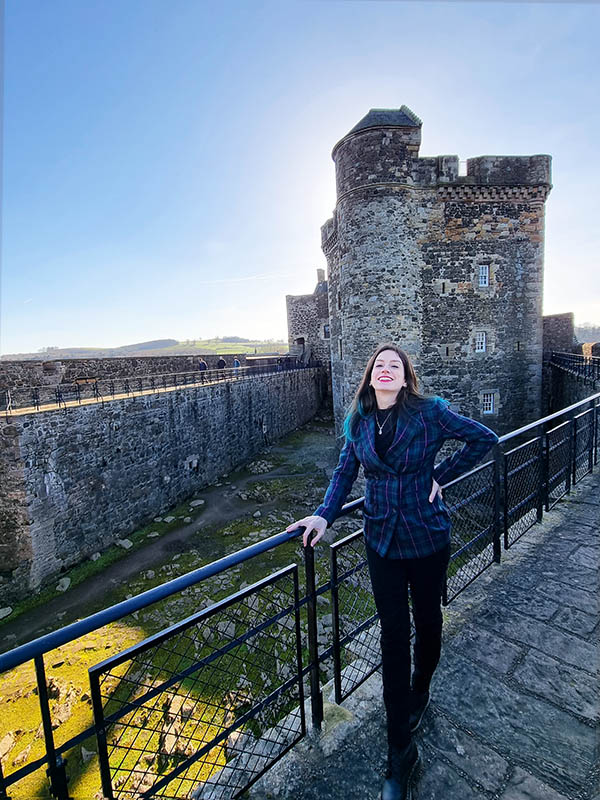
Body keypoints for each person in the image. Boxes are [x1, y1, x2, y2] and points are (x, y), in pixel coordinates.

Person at [286, 343, 498, 800]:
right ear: (370, 376)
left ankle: (421, 690)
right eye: (379, 365)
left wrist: (443, 474)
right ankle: (398, 750)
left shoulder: (429, 412)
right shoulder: (359, 420)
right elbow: (345, 473)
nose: (385, 371)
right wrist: (323, 515)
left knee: (428, 622)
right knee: (392, 635)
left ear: (405, 378)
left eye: (394, 366)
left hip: (426, 538)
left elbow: (484, 439)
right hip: (380, 539)